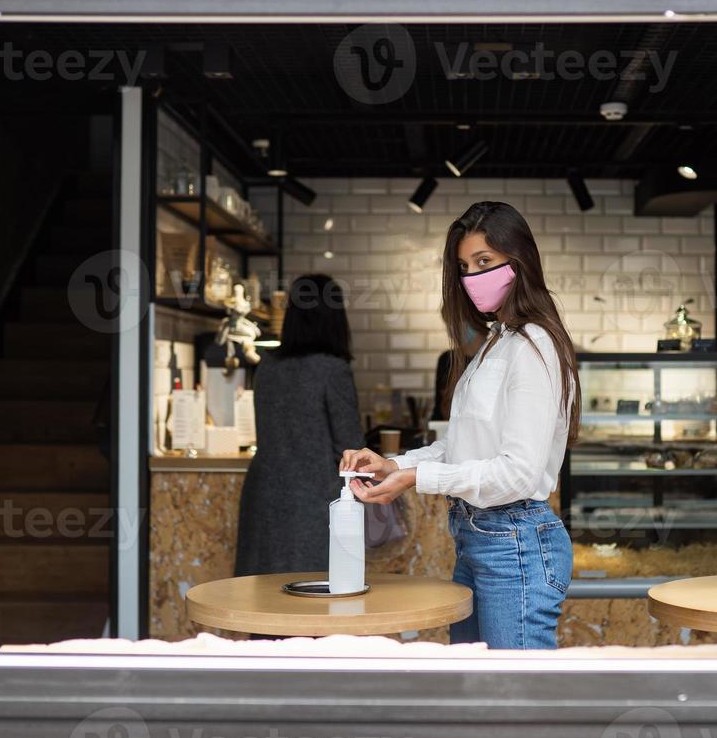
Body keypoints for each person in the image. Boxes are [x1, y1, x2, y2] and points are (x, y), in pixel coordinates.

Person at [341, 201, 580, 649]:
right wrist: (394, 465)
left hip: (516, 546)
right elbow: (462, 446)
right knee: (478, 695)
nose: (472, 278)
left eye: (484, 262)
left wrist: (417, 478)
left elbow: (517, 473)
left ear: (520, 259)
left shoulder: (534, 346)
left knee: (512, 703)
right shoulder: (497, 343)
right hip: (480, 538)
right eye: (464, 266)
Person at [235, 274, 364, 576]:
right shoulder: (332, 369)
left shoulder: (267, 365)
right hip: (315, 501)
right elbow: (350, 447)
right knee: (314, 600)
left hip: (265, 494)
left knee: (266, 597)